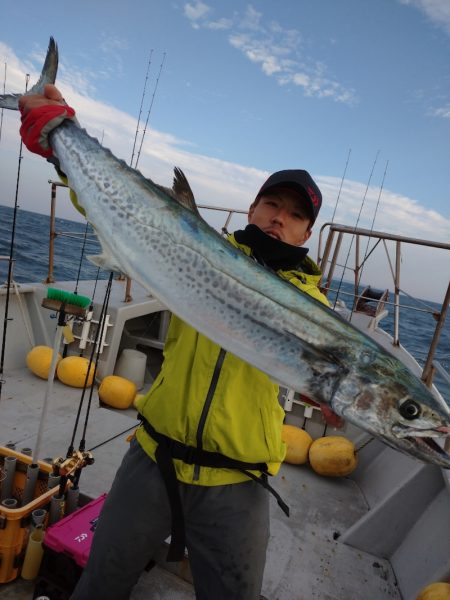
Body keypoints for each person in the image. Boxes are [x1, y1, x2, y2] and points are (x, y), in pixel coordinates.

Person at [19, 85, 329, 600]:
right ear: (252, 208)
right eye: (272, 204)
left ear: (305, 234)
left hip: (239, 481)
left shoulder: (315, 313)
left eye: (295, 215)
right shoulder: (190, 248)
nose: (279, 218)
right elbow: (115, 209)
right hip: (153, 456)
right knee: (100, 582)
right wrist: (61, 147)